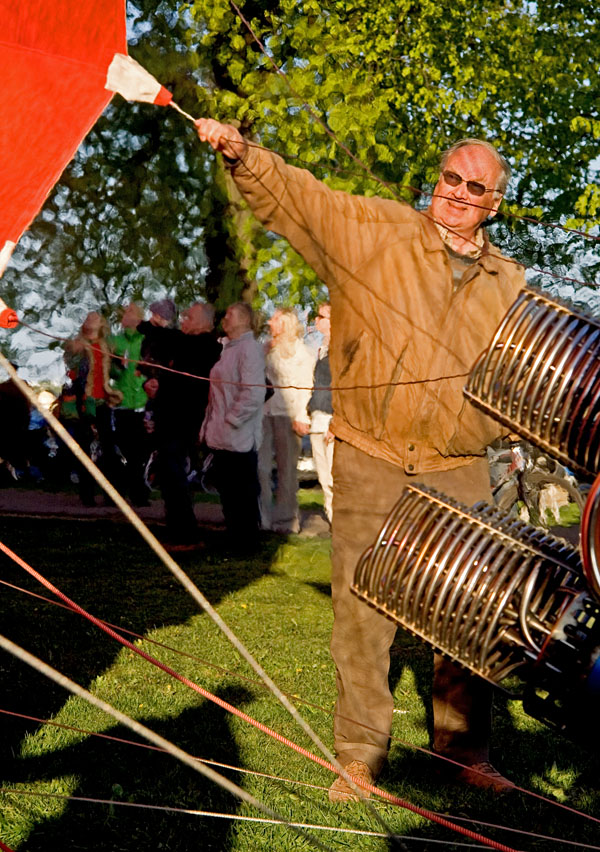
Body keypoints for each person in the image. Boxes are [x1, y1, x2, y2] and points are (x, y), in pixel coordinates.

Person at [194, 118, 526, 797]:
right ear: (437, 179)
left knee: (466, 614)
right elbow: (301, 198)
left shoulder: (510, 282)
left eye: (476, 187)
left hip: (459, 462)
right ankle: (359, 754)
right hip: (373, 453)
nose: (458, 193)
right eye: (450, 178)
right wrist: (243, 154)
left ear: (494, 203)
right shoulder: (376, 231)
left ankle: (465, 753)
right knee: (360, 608)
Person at [135, 301, 221, 550]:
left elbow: (171, 339)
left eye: (189, 317)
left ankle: (186, 535)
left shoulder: (205, 345)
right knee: (169, 477)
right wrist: (153, 384)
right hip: (168, 419)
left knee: (175, 476)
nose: (184, 320)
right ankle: (177, 530)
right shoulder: (185, 347)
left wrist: (142, 324)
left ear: (205, 323)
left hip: (182, 422)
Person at [200, 302, 265, 553]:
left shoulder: (250, 350)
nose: (224, 318)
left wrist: (232, 421)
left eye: (229, 314)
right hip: (221, 434)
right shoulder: (227, 349)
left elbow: (253, 393)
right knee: (228, 490)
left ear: (245, 320)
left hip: (239, 435)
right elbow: (216, 395)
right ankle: (235, 536)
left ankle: (247, 541)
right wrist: (210, 425)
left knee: (242, 491)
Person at [258, 308, 315, 533]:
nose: (270, 323)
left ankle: (287, 520)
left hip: (288, 415)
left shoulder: (304, 353)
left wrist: (302, 417)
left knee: (287, 470)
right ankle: (262, 518)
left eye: (274, 319)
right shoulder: (266, 350)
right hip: (264, 414)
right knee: (261, 469)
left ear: (285, 324)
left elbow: (307, 387)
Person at [63, 311, 123, 505]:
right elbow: (70, 369)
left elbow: (116, 372)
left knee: (109, 450)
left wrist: (120, 365)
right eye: (89, 317)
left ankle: (110, 495)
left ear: (101, 324)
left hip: (102, 401)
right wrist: (75, 353)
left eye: (95, 317)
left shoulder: (107, 345)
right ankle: (87, 495)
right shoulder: (75, 345)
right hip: (83, 400)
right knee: (84, 448)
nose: (92, 318)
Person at [109, 302, 150, 506]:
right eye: (125, 312)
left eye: (130, 312)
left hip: (143, 404)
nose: (125, 314)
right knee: (125, 451)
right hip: (123, 404)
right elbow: (110, 372)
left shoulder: (146, 341)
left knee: (140, 454)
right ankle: (130, 492)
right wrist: (117, 365)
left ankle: (133, 492)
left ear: (139, 318)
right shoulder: (115, 341)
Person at [297, 302, 334, 525]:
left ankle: (338, 522)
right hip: (318, 419)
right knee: (323, 477)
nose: (316, 321)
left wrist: (337, 423)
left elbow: (342, 388)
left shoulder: (339, 350)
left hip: (331, 421)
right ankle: (333, 519)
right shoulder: (321, 348)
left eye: (320, 317)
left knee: (332, 478)